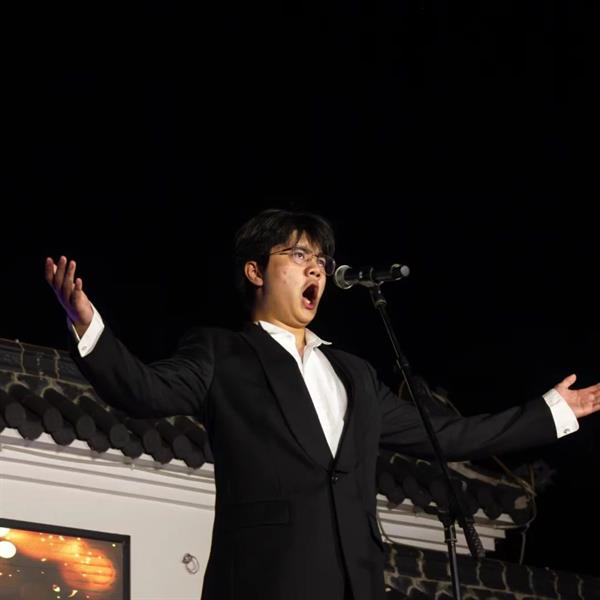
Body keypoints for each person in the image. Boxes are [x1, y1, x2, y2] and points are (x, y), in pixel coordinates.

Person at [45, 208, 600, 600]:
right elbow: (142, 390)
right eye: (298, 255)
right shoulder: (222, 353)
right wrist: (87, 325)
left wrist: (550, 410)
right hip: (267, 578)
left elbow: (450, 436)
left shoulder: (354, 374)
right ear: (255, 271)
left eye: (321, 260)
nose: (316, 268)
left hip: (356, 580)